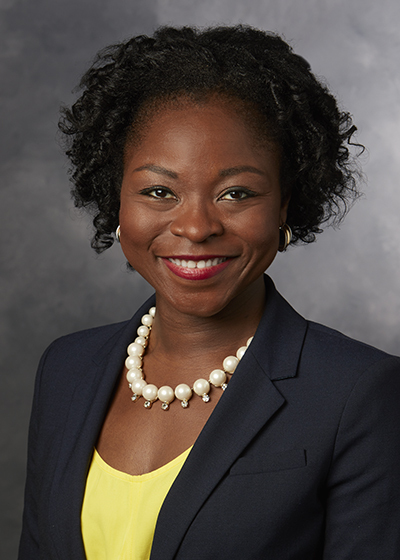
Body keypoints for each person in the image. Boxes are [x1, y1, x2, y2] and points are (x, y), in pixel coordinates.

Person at [19, 25, 400, 560]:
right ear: (116, 198)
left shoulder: (358, 393)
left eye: (235, 193)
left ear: (285, 204)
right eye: (159, 191)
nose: (196, 227)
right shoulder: (66, 368)